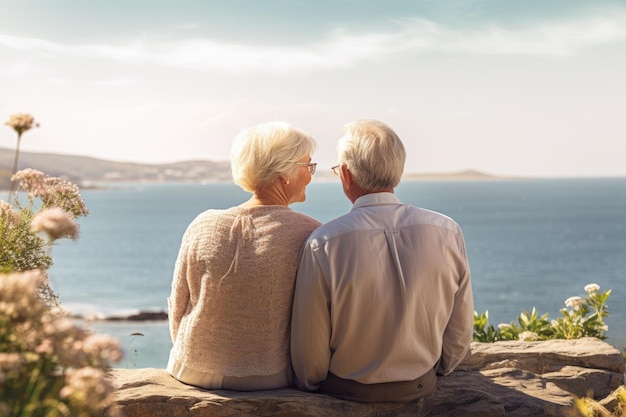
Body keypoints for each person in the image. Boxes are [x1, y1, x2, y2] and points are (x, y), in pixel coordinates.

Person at [291, 119, 474, 402]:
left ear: (347, 175)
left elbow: (309, 359)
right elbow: (459, 333)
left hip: (346, 393)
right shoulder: (447, 231)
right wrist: (440, 369)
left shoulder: (323, 243)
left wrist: (311, 384)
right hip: (422, 386)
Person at [167, 121, 321, 391]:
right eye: (308, 166)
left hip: (189, 368)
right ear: (284, 173)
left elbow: (178, 305)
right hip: (263, 375)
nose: (311, 175)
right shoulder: (310, 233)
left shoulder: (202, 223)